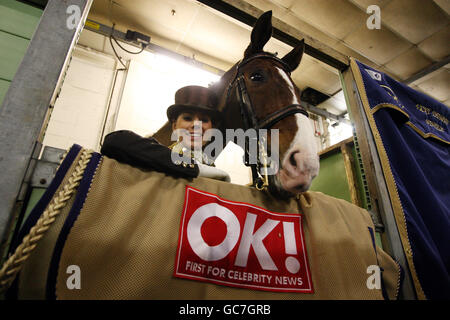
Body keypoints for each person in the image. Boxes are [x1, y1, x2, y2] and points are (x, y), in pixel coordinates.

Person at [101, 85, 230, 181]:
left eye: (204, 120)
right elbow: (113, 142)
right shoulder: (151, 157)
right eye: (188, 118)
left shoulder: (216, 174)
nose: (196, 125)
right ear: (174, 126)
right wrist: (195, 169)